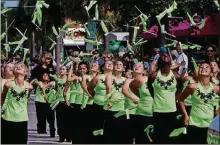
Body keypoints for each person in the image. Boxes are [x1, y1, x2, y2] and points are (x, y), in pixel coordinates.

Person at [178, 63, 220, 144]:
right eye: (201, 67)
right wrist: (186, 115)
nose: (203, 68)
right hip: (194, 124)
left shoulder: (216, 88)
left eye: (207, 67)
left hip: (210, 126)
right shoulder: (192, 87)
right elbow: (180, 99)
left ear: (211, 73)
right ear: (198, 71)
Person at [148, 53, 182, 144]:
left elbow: (180, 88)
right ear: (159, 61)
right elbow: (149, 87)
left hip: (172, 109)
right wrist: (154, 97)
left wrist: (175, 98)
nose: (164, 56)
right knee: (158, 136)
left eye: (166, 55)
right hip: (158, 109)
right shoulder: (153, 76)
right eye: (162, 56)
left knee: (171, 136)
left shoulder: (177, 76)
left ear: (170, 60)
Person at [1, 63, 33, 144]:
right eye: (17, 67)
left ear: (26, 72)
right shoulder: (8, 85)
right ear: (13, 72)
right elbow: (2, 98)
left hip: (22, 119)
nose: (19, 67)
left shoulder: (29, 87)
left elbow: (26, 100)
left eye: (21, 67)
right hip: (8, 118)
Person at [88, 60, 114, 143]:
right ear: (103, 67)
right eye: (107, 63)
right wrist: (95, 95)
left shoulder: (117, 78)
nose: (109, 64)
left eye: (111, 63)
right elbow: (90, 88)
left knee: (110, 127)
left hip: (113, 106)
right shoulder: (98, 77)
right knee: (97, 127)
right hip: (98, 104)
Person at [129, 62, 154, 144]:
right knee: (141, 139)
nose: (137, 67)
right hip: (141, 113)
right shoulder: (141, 79)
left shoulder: (159, 81)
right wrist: (141, 97)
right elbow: (131, 86)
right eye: (135, 65)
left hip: (155, 113)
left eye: (139, 66)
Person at [103, 61, 126, 143]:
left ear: (123, 68)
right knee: (110, 132)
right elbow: (108, 88)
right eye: (116, 64)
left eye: (120, 64)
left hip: (122, 107)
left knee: (121, 133)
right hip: (111, 106)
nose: (118, 66)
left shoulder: (126, 79)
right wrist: (110, 100)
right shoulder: (110, 76)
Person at [32, 73, 56, 137]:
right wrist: (38, 83)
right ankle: (41, 130)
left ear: (49, 77)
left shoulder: (52, 83)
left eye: (46, 75)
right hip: (40, 102)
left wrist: (52, 84)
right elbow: (33, 82)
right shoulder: (39, 83)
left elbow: (57, 83)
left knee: (51, 118)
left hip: (49, 102)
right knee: (41, 117)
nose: (45, 76)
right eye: (43, 75)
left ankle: (52, 131)